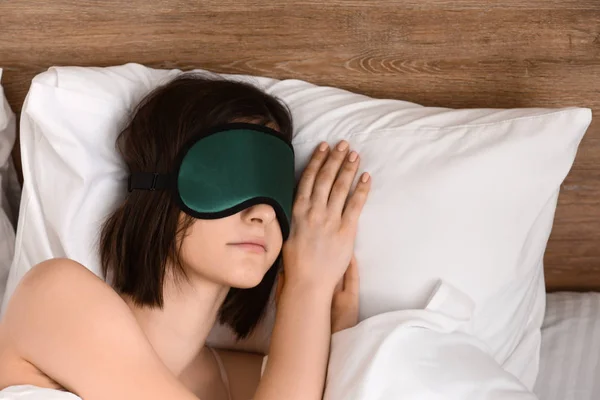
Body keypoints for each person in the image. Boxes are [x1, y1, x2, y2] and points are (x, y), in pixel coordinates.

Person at [0, 74, 371, 400]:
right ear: (160, 186)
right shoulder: (57, 298)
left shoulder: (245, 379)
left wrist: (333, 353)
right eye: (231, 178)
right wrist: (306, 291)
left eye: (275, 188)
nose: (263, 213)